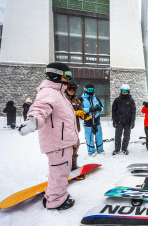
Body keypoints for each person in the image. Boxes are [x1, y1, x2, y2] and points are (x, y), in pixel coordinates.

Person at [18, 62, 77, 210]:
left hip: (62, 140)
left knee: (60, 170)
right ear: (56, 75)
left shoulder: (57, 92)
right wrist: (33, 120)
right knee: (60, 172)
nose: (69, 79)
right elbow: (39, 108)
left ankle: (56, 195)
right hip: (58, 142)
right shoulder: (49, 92)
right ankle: (56, 201)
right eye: (67, 75)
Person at [64, 80, 86, 170]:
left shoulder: (77, 101)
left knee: (75, 147)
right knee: (64, 150)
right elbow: (60, 113)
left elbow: (81, 113)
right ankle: (64, 168)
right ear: (66, 88)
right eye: (70, 88)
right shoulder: (62, 99)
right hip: (63, 129)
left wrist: (84, 115)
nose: (72, 91)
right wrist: (74, 113)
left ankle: (73, 167)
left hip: (75, 128)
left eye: (74, 89)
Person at [80, 83, 104, 157]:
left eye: (92, 90)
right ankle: (91, 151)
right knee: (89, 136)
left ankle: (100, 149)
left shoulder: (96, 98)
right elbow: (80, 109)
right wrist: (90, 109)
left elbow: (102, 107)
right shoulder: (81, 99)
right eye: (89, 90)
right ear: (85, 90)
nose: (91, 91)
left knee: (99, 135)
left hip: (96, 119)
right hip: (88, 120)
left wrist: (99, 108)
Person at [112, 84, 136, 155]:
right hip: (119, 121)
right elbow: (114, 111)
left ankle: (124, 148)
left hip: (127, 122)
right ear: (121, 91)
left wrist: (132, 121)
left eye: (126, 91)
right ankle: (117, 148)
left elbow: (133, 111)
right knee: (118, 136)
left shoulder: (131, 100)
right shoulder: (117, 100)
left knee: (127, 136)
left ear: (128, 91)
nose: (124, 92)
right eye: (123, 91)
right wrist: (114, 121)